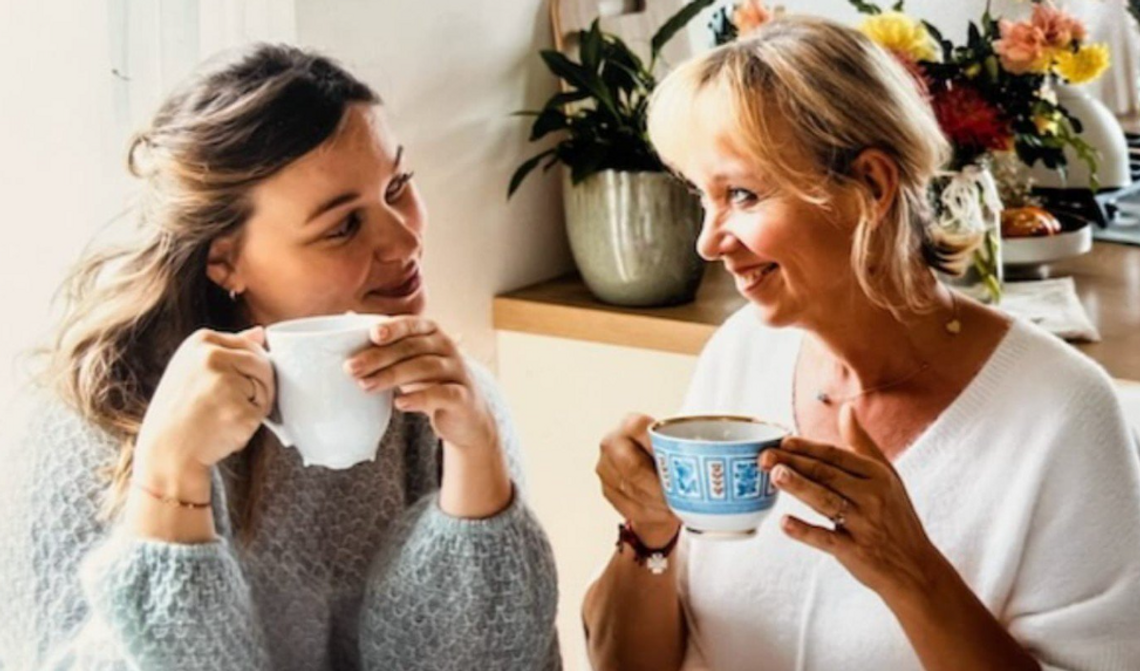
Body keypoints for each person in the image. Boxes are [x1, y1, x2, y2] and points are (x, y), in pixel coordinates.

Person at [583, 16, 1140, 671]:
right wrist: (648, 533)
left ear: (871, 187)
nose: (708, 241)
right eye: (701, 196)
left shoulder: (1061, 412)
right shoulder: (741, 355)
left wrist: (912, 573)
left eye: (741, 193)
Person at [0, 43, 560, 671]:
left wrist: (477, 461)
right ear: (224, 261)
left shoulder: (449, 406)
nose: (404, 240)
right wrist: (169, 481)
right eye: (343, 226)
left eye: (397, 186)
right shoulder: (91, 420)